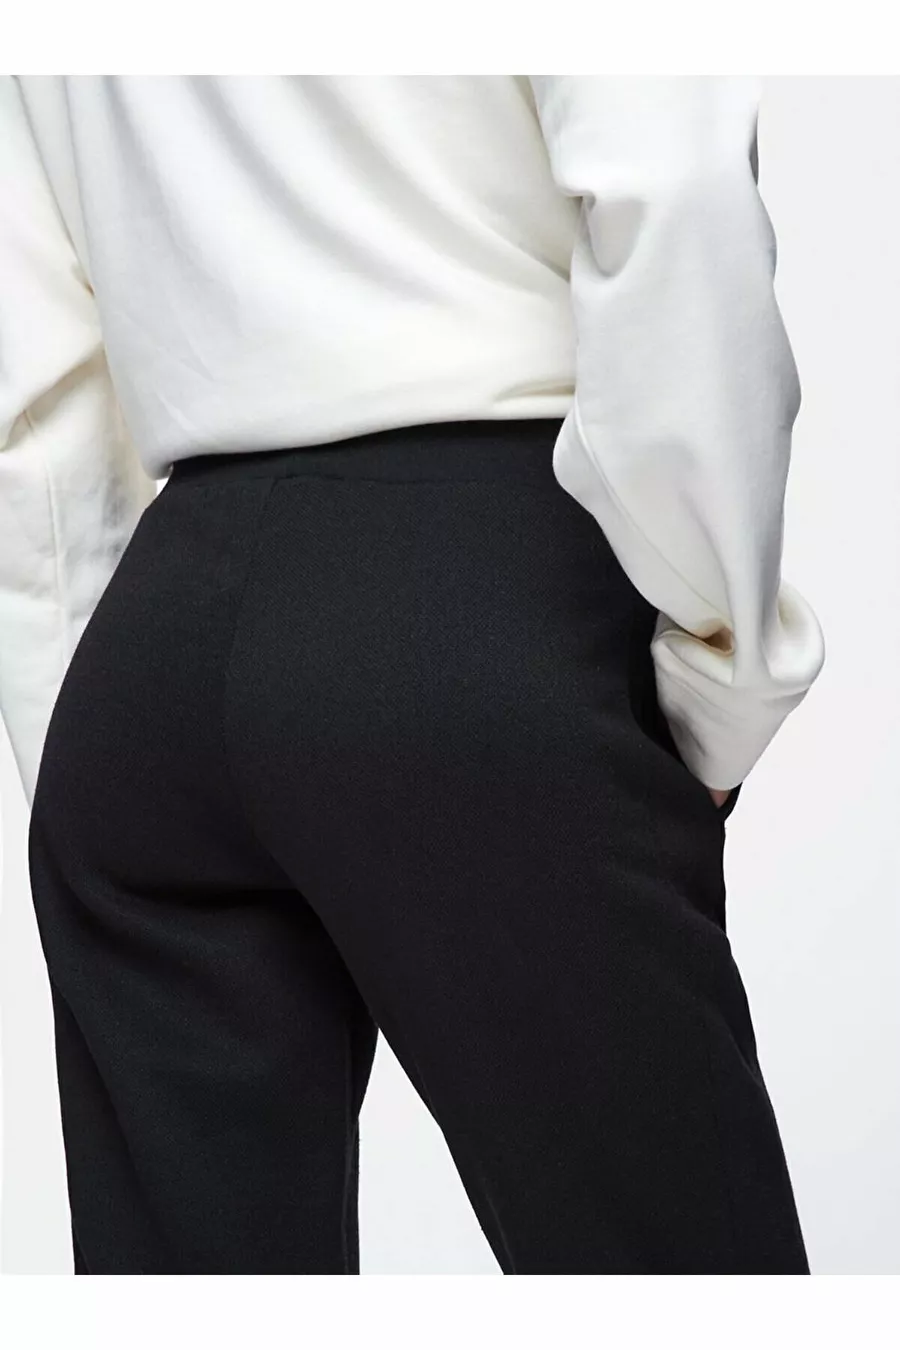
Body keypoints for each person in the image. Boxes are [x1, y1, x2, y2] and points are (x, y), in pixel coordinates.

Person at [0, 74, 825, 1275]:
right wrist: (719, 670)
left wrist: (96, 732)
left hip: (154, 640)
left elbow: (32, 385)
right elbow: (671, 186)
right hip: (477, 606)